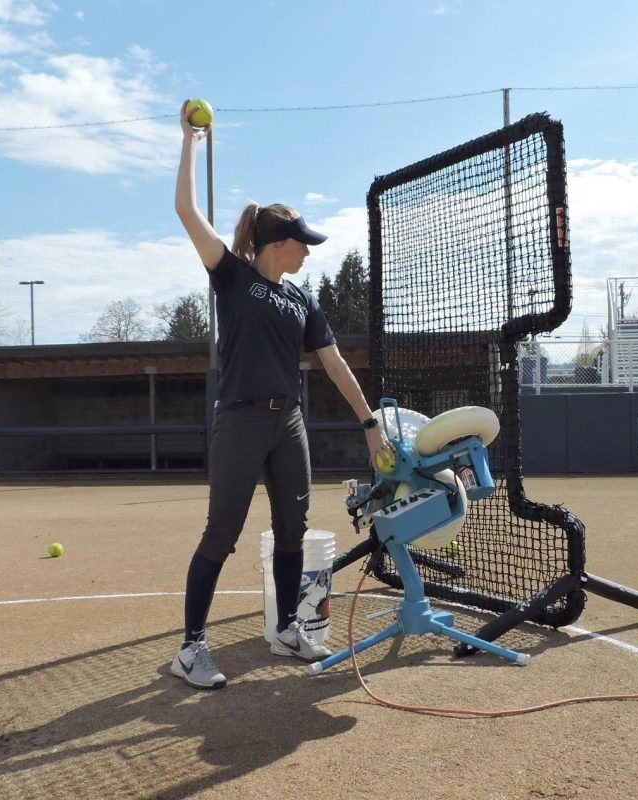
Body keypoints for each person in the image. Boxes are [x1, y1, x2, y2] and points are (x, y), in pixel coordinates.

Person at [170, 100, 393, 690]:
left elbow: (334, 363)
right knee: (222, 533)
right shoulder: (231, 275)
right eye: (301, 242)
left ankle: (289, 627)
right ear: (276, 242)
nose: (308, 251)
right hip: (241, 420)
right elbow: (186, 210)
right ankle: (191, 647)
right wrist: (190, 142)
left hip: (287, 423)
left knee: (293, 528)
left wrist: (370, 423)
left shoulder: (303, 300)